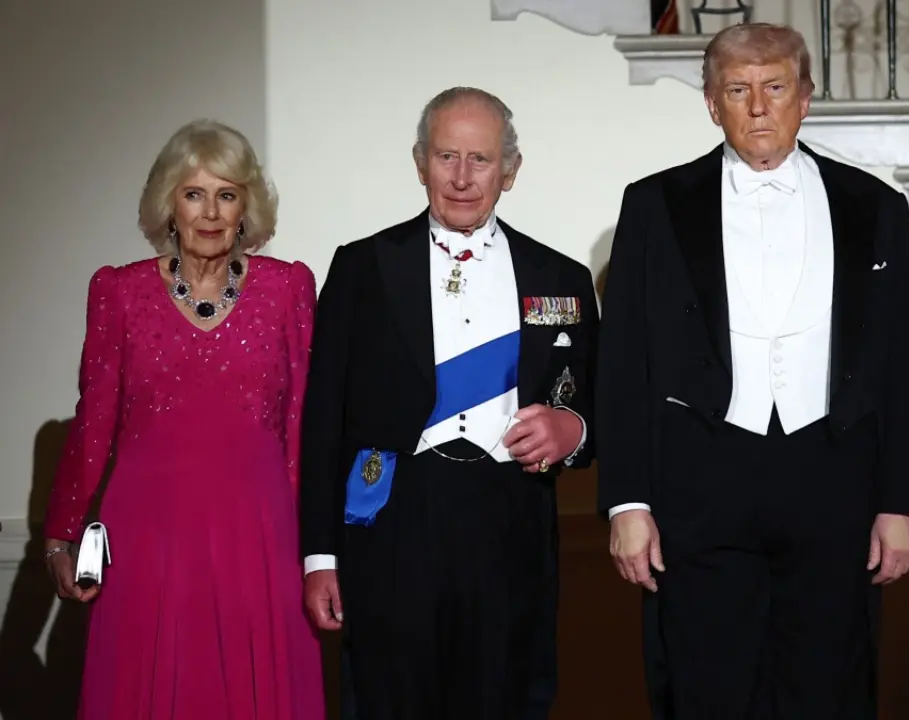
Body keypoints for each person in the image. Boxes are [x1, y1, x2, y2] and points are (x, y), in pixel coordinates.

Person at [596, 22, 909, 718]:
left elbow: (902, 365)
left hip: (834, 477)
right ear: (712, 104)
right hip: (700, 479)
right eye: (738, 90)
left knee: (831, 685)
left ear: (804, 98)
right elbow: (624, 362)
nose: (758, 107)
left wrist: (901, 500)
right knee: (705, 684)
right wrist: (627, 503)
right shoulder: (653, 205)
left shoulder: (876, 208)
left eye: (775, 88)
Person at [298, 86, 598, 719]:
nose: (462, 179)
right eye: (446, 157)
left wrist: (572, 429)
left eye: (481, 160)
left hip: (509, 520)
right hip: (393, 522)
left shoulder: (560, 277)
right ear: (419, 162)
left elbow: (601, 404)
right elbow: (323, 420)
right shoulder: (362, 267)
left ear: (510, 170)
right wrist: (320, 555)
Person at [42, 120, 325, 718]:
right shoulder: (117, 293)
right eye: (194, 193)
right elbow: (93, 423)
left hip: (260, 535)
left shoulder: (289, 288)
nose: (211, 212)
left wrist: (314, 546)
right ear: (168, 203)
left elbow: (304, 422)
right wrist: (60, 536)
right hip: (148, 537)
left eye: (227, 194)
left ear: (248, 205)